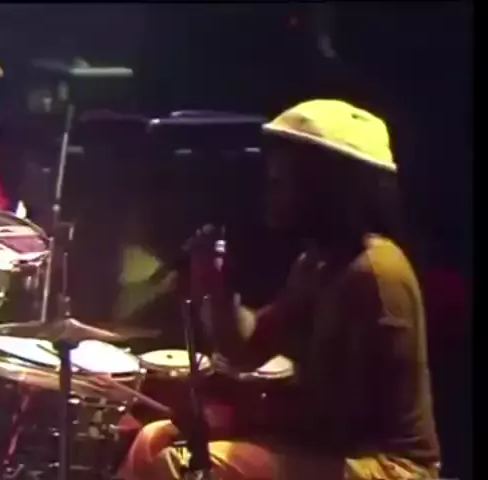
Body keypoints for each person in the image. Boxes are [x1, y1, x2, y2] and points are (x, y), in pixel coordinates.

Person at [119, 99, 440, 479]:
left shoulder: (372, 274)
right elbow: (245, 348)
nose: (269, 187)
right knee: (153, 440)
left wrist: (231, 415)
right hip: (329, 449)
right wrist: (218, 289)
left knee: (178, 464)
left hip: (386, 466)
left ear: (329, 186)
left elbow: (334, 422)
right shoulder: (317, 263)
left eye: (283, 178)